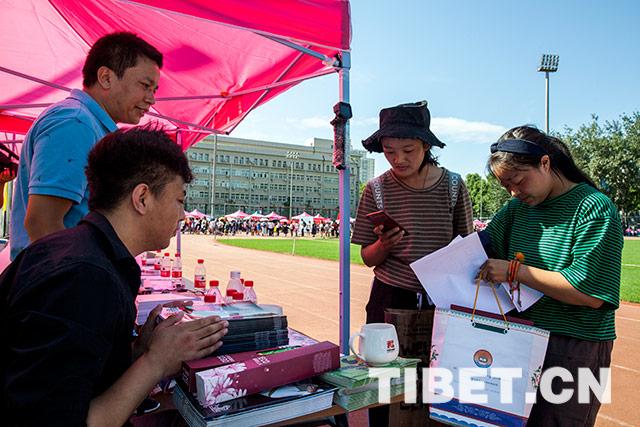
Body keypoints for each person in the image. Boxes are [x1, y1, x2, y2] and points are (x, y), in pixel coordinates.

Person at [0, 127, 229, 425]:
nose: (183, 216)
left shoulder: (82, 253)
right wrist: (156, 361)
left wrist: (137, 351)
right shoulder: (84, 279)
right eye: (179, 201)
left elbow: (83, 376)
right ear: (142, 198)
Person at [479, 125, 623, 426]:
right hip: (520, 339)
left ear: (545, 163)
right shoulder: (516, 209)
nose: (514, 192)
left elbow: (589, 292)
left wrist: (515, 271)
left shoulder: (593, 207)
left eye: (518, 181)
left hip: (574, 347)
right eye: (506, 187)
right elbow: (481, 248)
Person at [351, 101, 473, 426]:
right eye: (389, 151)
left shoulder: (453, 186)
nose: (398, 159)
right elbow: (366, 256)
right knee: (383, 380)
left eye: (408, 150)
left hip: (442, 299)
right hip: (389, 295)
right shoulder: (375, 190)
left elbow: (467, 246)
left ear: (426, 146)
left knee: (434, 383)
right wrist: (383, 245)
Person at [10, 32, 162, 260]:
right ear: (106, 77)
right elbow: (43, 223)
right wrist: (83, 279)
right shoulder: (75, 123)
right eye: (145, 85)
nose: (151, 99)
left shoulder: (89, 124)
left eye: (154, 90)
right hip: (58, 285)